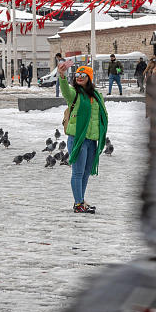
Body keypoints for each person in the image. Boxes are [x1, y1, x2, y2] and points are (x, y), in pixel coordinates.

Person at [58, 60, 108, 214]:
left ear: (89, 78)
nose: (79, 77)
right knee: (78, 172)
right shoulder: (75, 94)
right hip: (77, 138)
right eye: (77, 74)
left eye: (83, 75)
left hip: (92, 140)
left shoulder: (97, 96)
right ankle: (78, 203)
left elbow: (103, 114)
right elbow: (65, 90)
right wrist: (62, 75)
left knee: (86, 173)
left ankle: (80, 200)